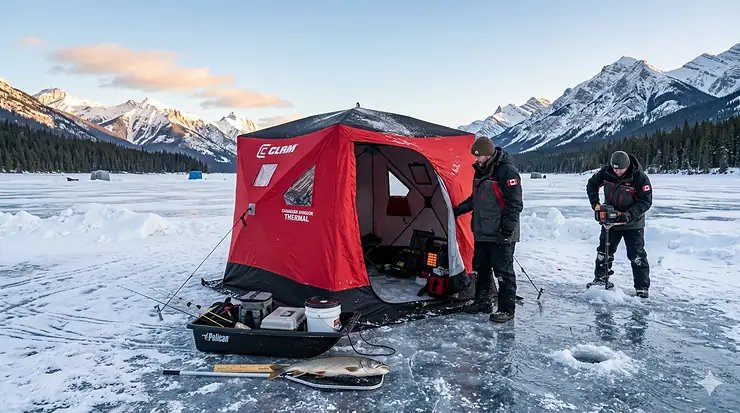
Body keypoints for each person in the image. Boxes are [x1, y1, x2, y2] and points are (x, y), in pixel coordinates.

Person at [453, 136, 523, 323]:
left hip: (501, 233)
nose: (476, 159)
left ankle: (507, 309)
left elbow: (514, 204)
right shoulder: (480, 171)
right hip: (482, 230)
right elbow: (476, 198)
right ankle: (483, 302)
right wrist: (458, 210)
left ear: (488, 154)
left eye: (479, 156)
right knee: (481, 269)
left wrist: (506, 232)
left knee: (503, 272)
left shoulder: (506, 172)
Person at [586, 150, 652, 298]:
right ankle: (600, 279)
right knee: (604, 252)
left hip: (633, 224)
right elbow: (592, 184)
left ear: (627, 166)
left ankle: (642, 288)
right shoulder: (606, 172)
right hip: (610, 222)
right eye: (614, 168)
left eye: (620, 169)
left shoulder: (639, 178)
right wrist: (595, 204)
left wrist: (628, 215)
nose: (617, 171)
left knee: (637, 256)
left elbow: (646, 202)